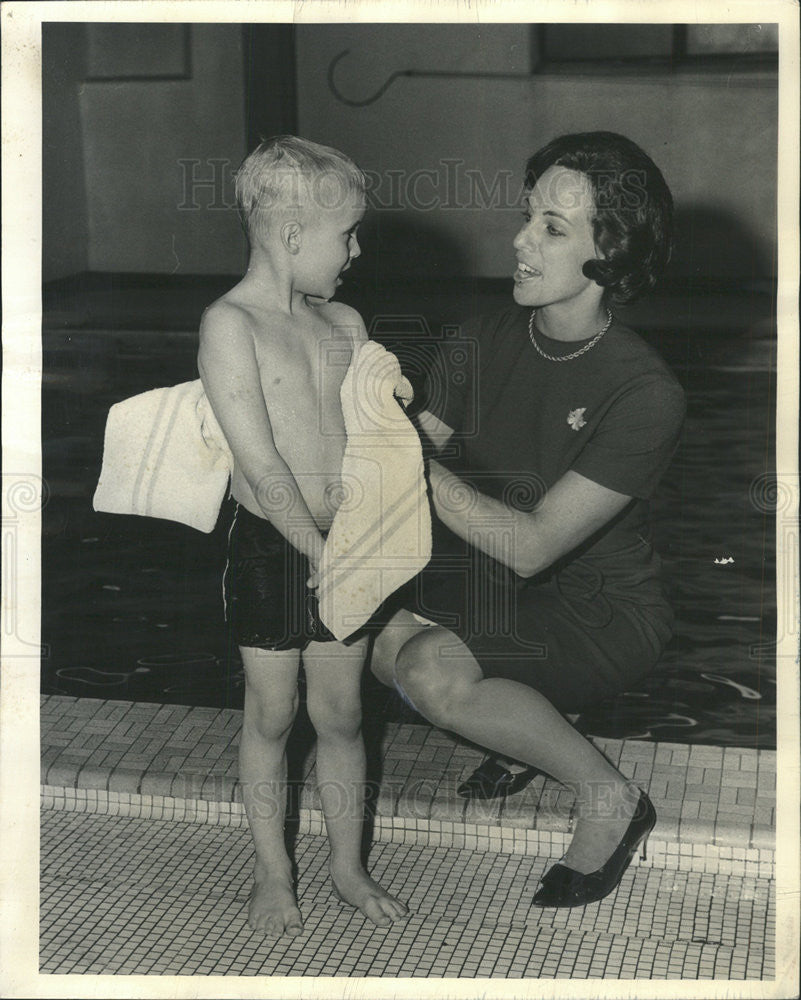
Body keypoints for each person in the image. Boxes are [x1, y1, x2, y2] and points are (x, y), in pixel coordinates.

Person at [371, 132, 686, 908]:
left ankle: (610, 798)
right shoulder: (483, 336)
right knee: (362, 632)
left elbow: (533, 548)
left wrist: (401, 458)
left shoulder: (644, 390)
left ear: (608, 252)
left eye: (552, 227)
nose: (518, 239)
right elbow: (404, 463)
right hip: (492, 579)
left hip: (599, 609)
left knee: (427, 671)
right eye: (526, 216)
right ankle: (524, 729)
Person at [198, 136, 409, 935]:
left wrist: (399, 409)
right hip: (272, 548)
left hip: (343, 544)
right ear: (292, 237)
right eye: (346, 234)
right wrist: (321, 557)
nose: (356, 251)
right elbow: (260, 466)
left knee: (344, 715)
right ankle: (271, 869)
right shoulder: (230, 326)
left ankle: (347, 869)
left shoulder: (345, 321)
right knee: (272, 714)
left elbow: (376, 441)